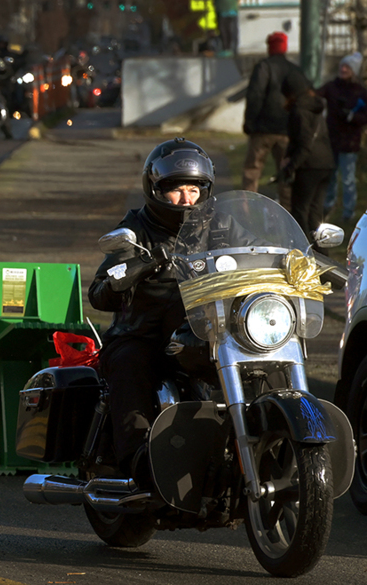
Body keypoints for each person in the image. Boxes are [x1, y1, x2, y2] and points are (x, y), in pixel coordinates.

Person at [88, 139, 217, 485]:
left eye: (194, 189)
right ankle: (140, 464)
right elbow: (98, 292)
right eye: (177, 190)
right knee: (130, 365)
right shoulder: (136, 229)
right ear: (157, 190)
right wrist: (131, 272)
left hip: (204, 332)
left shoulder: (219, 227)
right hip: (142, 335)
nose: (187, 199)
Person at [242, 32, 304, 209]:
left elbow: (255, 96)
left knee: (252, 172)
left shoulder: (263, 67)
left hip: (261, 130)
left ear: (269, 47)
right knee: (286, 174)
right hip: (286, 131)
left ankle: (245, 209)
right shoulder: (294, 69)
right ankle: (287, 212)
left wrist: (249, 122)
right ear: (285, 47)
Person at [282, 77, 335, 240]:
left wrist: (290, 167)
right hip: (326, 163)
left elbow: (304, 144)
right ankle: (322, 252)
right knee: (315, 211)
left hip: (309, 166)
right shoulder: (316, 107)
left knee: (300, 210)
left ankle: (304, 249)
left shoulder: (299, 110)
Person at [318, 52, 367, 226]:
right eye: (341, 66)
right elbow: (315, 96)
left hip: (350, 143)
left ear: (353, 70)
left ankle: (348, 213)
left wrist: (351, 117)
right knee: (330, 177)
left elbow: (365, 117)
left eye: (347, 67)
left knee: (348, 179)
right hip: (332, 140)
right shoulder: (331, 87)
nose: (343, 69)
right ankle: (327, 208)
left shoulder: (360, 92)